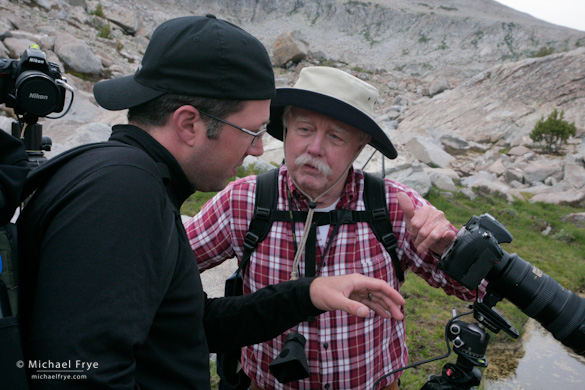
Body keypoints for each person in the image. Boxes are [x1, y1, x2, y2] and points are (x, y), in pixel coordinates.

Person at [15, 16, 406, 390]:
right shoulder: (122, 198)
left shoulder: (132, 182)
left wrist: (307, 294)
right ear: (189, 124)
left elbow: (188, 323)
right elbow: (76, 375)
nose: (257, 148)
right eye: (252, 131)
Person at [184, 66, 487, 390]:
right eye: (304, 129)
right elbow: (162, 270)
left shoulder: (395, 207)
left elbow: (477, 289)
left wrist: (453, 251)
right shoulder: (243, 201)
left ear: (360, 145)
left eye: (336, 136)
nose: (315, 148)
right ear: (285, 128)